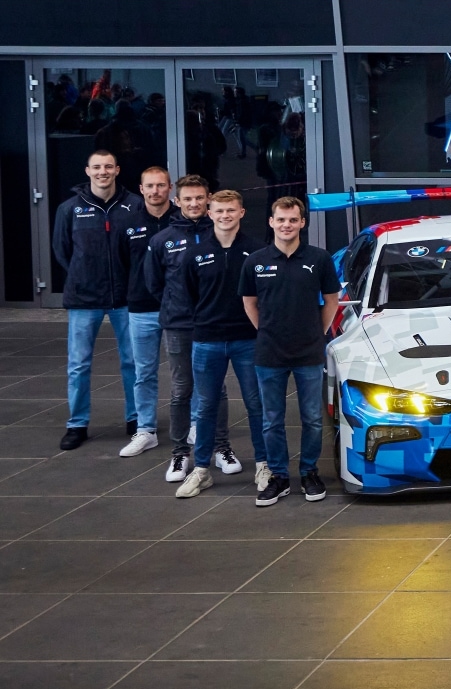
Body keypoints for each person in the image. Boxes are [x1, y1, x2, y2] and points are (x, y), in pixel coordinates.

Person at [239, 198, 341, 506]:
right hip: (269, 354)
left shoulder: (319, 259)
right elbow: (249, 303)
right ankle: (280, 477)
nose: (286, 225)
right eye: (281, 219)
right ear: (271, 222)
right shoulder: (255, 261)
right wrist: (268, 331)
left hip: (309, 353)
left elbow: (332, 301)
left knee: (312, 418)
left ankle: (309, 472)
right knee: (271, 419)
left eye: (292, 220)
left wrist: (316, 334)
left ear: (302, 223)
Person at [145, 175, 239, 482]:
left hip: (214, 325)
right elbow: (155, 284)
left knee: (215, 390)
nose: (194, 203)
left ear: (209, 199)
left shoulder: (223, 234)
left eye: (200, 198)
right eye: (188, 199)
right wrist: (179, 307)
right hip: (179, 325)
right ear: (178, 201)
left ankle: (221, 448)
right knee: (181, 390)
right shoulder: (163, 240)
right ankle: (179, 454)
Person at [175, 190, 268, 499]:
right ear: (209, 214)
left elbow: (264, 297)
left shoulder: (257, 252)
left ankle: (264, 466)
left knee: (257, 404)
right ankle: (201, 470)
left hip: (247, 340)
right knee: (205, 406)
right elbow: (188, 296)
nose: (225, 215)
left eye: (231, 210)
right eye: (219, 211)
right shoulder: (195, 254)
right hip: (207, 341)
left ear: (241, 212)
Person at [52, 148, 141, 450]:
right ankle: (77, 425)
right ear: (87, 171)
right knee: (78, 364)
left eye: (108, 167)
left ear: (117, 170)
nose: (102, 172)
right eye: (96, 167)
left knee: (133, 362)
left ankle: (136, 419)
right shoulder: (70, 209)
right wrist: (84, 275)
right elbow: (63, 251)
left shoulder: (134, 206)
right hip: (83, 298)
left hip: (126, 298)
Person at [113, 165, 179, 458]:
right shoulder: (126, 223)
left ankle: (189, 425)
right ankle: (146, 430)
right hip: (140, 309)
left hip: (179, 309)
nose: (155, 191)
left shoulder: (181, 222)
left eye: (161, 185)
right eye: (149, 186)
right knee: (143, 372)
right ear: (141, 189)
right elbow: (119, 265)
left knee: (184, 372)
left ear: (170, 188)